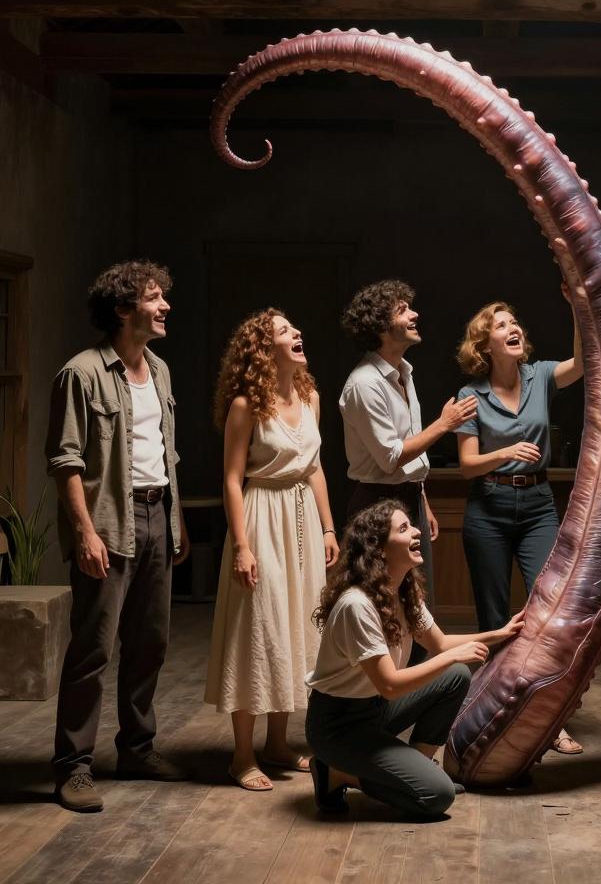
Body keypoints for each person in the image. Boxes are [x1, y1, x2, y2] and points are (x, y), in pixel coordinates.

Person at [46, 260, 191, 813]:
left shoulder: (161, 370)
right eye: (154, 298)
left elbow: (166, 453)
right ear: (124, 309)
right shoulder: (81, 373)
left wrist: (176, 520)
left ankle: (137, 749)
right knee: (93, 649)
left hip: (158, 515)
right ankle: (73, 767)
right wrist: (85, 533)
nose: (165, 306)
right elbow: (66, 461)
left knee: (150, 643)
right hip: (108, 523)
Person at [305, 499, 524, 818]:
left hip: (375, 708)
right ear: (379, 550)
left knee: (455, 675)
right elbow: (390, 685)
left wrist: (499, 634)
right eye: (404, 528)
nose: (417, 531)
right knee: (436, 796)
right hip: (337, 726)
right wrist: (451, 657)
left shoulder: (402, 592)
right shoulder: (357, 605)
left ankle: (418, 766)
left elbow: (441, 643)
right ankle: (337, 773)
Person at [204, 309, 340, 792]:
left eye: (295, 328)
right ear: (264, 350)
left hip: (303, 520)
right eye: (285, 331)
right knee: (255, 630)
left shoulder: (310, 397)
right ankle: (242, 755)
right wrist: (242, 545)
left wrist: (328, 527)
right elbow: (231, 479)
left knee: (295, 626)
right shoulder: (246, 406)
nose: (298, 333)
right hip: (261, 517)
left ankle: (278, 743)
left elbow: (314, 467)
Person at [455, 286, 584, 754]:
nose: (512, 329)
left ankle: (549, 721)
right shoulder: (470, 395)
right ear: (484, 344)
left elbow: (582, 363)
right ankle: (492, 717)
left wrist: (576, 308)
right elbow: (467, 465)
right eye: (500, 325)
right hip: (487, 508)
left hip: (537, 506)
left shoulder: (541, 375)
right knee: (494, 616)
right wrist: (505, 452)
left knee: (546, 611)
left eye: (514, 323)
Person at [340, 280, 476, 603]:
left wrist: (422, 500)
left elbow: (408, 452)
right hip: (377, 505)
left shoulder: (403, 372)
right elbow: (391, 457)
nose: (414, 315)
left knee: (417, 601)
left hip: (409, 497)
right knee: (382, 602)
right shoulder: (365, 383)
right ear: (381, 326)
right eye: (403, 310)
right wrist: (444, 424)